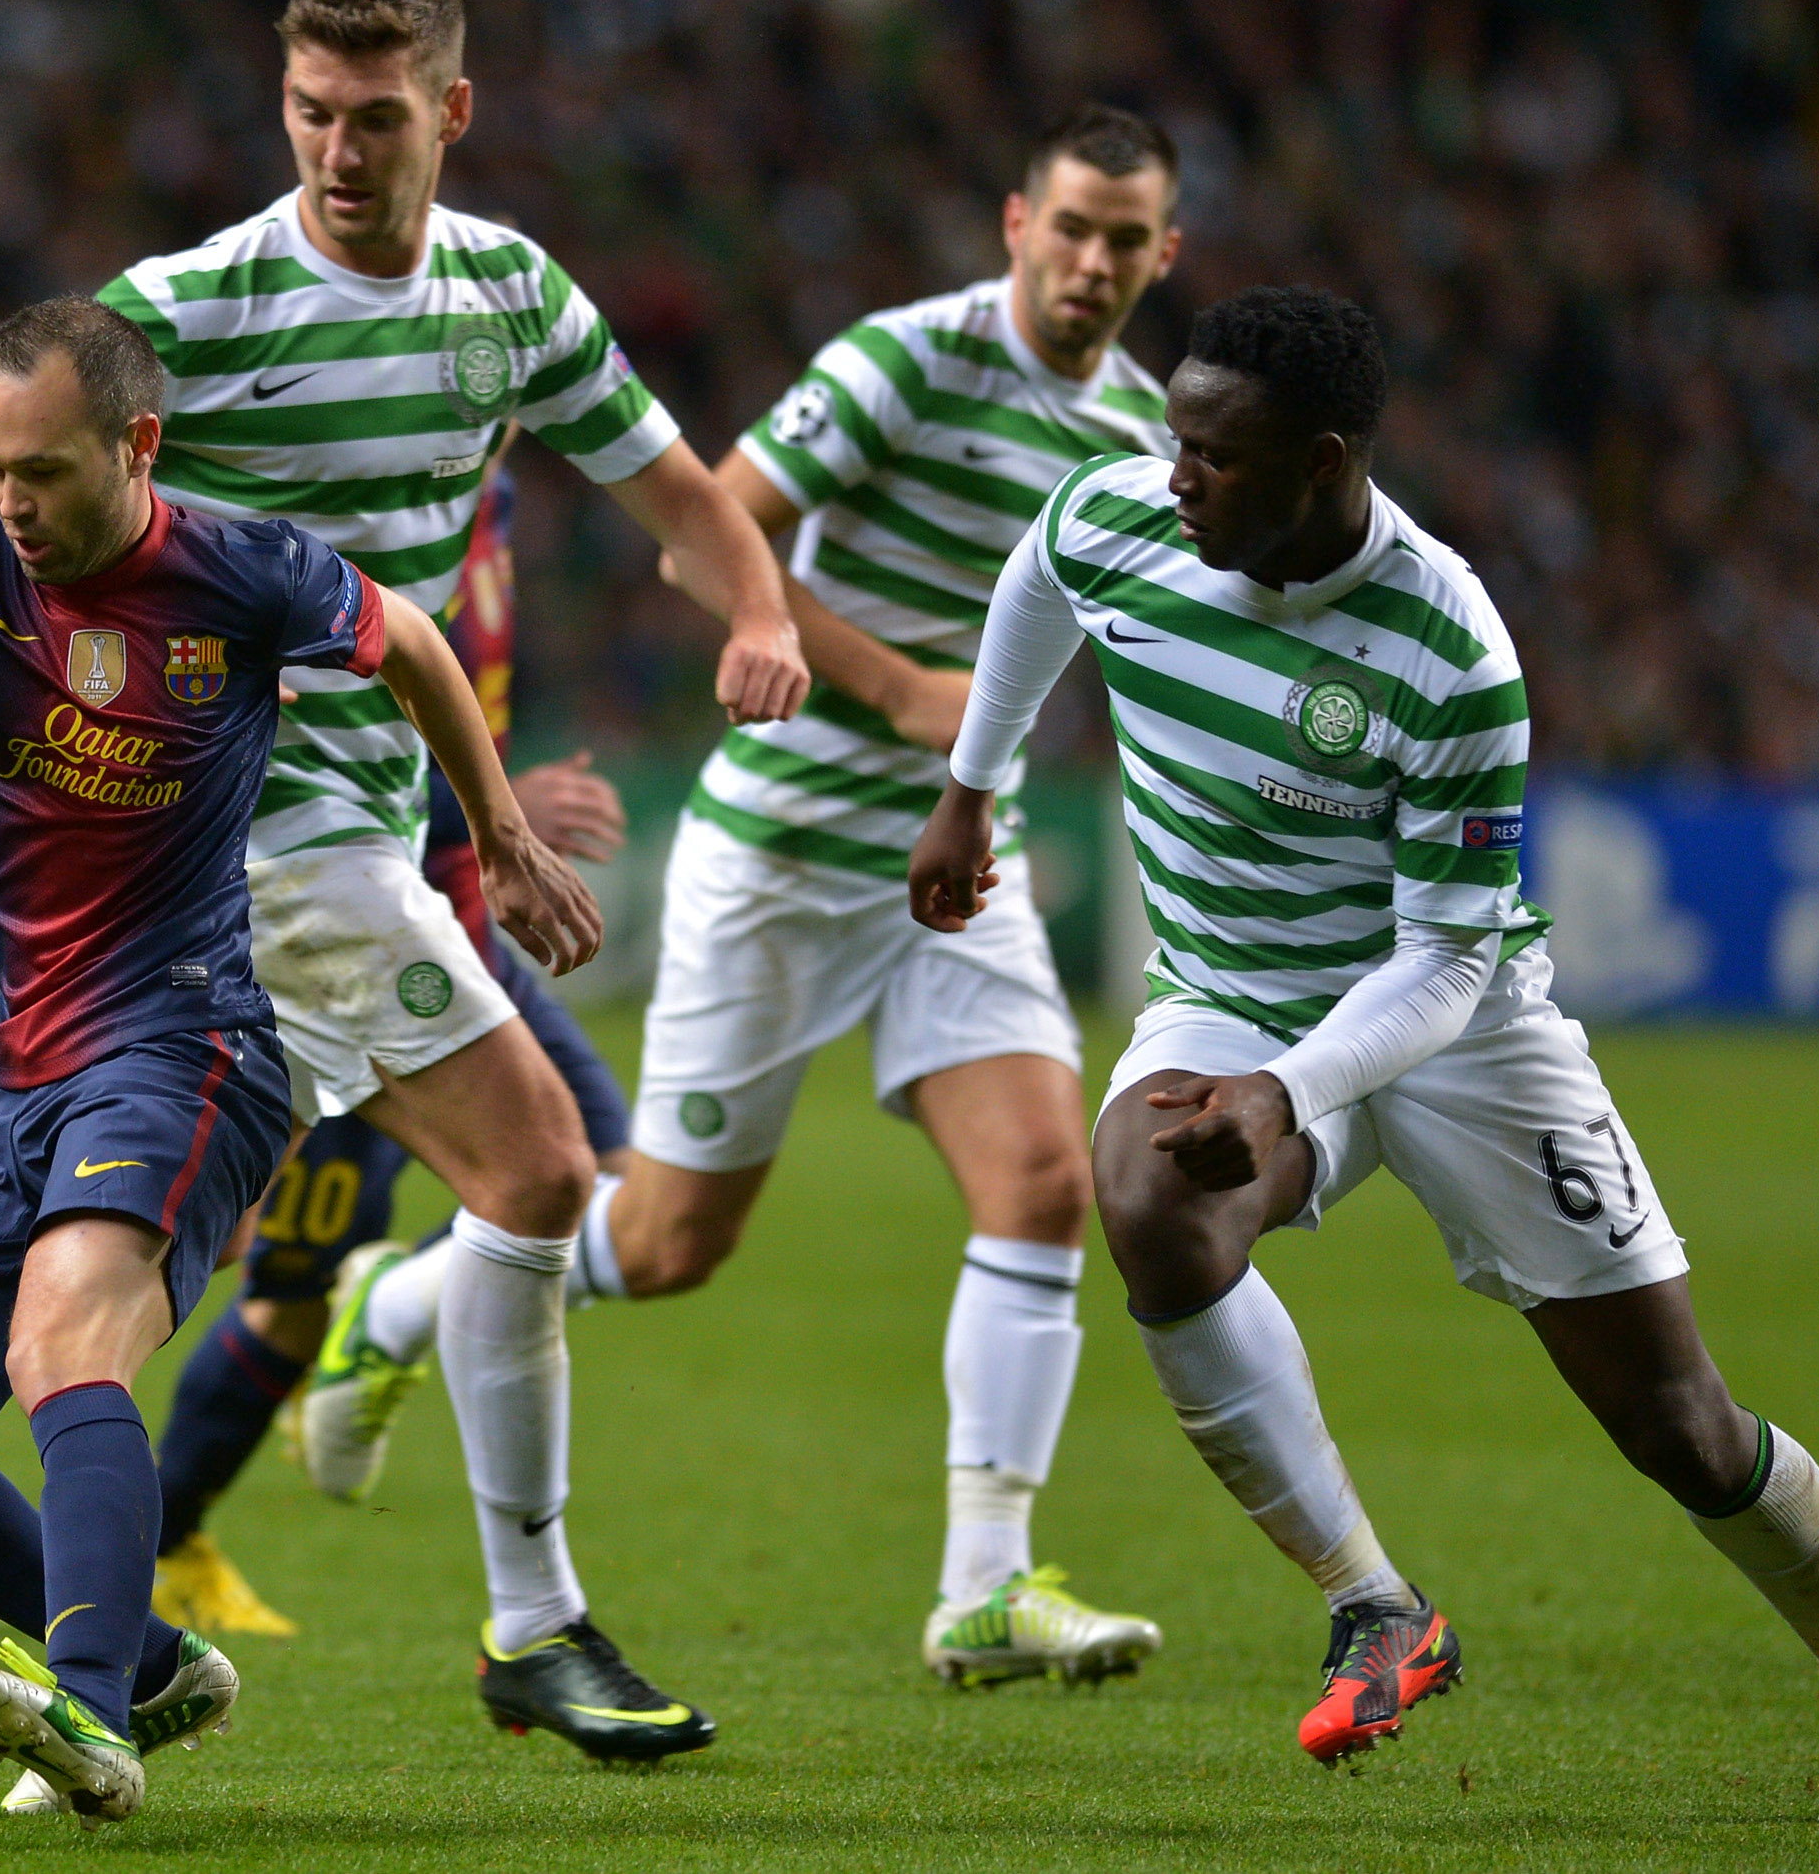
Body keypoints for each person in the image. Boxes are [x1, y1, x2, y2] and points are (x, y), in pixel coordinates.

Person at [0, 0, 804, 1761]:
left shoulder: (510, 298)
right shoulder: (199, 303)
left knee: (142, 1257)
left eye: (376, 115)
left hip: (362, 830)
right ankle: (534, 1627)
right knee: (544, 1171)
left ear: (451, 111)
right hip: (259, 827)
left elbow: (673, 485)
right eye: (310, 110)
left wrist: (757, 607)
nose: (337, 147)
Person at [906, 284, 1819, 1825]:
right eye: (1177, 440)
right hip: (1232, 991)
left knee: (1679, 1422)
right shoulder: (1124, 515)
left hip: (1461, 1023)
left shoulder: (1448, 643)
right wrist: (971, 786)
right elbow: (1037, 581)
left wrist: (1295, 1089)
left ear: (1324, 463)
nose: (1175, 474)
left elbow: (1450, 953)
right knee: (1144, 1197)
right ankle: (1376, 1605)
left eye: (1218, 458)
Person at [333, 104, 1183, 1686]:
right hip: (783, 857)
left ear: (1163, 253)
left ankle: (982, 1590)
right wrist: (897, 687)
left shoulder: (1138, 437)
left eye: (1125, 241)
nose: (1091, 264)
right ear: (1017, 223)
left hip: (950, 869)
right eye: (1069, 229)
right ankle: (399, 1300)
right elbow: (705, 547)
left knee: (1049, 1187)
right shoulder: (901, 364)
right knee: (663, 1245)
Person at [0, 294, 602, 1827]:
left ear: (138, 446)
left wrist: (503, 832)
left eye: (46, 470)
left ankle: (84, 1719)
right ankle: (140, 1658)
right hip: (28, 1074)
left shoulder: (237, 570)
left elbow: (407, 637)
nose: (11, 498)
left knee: (66, 1343)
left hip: (189, 1040)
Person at [147, 440, 635, 1641]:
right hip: (354, 923)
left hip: (460, 908)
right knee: (271, 1286)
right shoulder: (329, 465)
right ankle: (144, 1538)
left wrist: (501, 798)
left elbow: (422, 702)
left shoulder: (488, 488)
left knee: (612, 1186)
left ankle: (403, 1307)